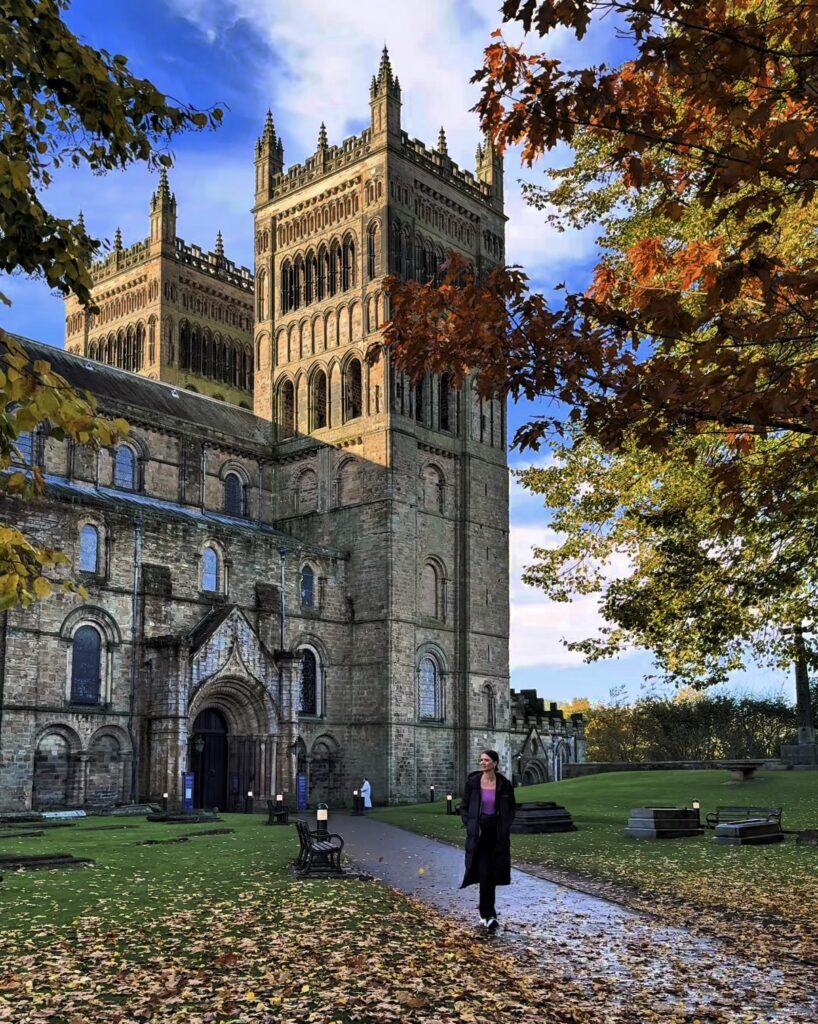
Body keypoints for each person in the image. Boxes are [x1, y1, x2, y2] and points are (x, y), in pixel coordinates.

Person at [459, 749, 516, 931]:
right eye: (481, 760)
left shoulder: (504, 785)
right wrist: (470, 824)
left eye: (486, 760)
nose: (482, 763)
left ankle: (488, 913)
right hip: (479, 835)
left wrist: (505, 825)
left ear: (495, 763)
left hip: (497, 836)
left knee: (492, 876)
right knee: (484, 874)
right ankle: (488, 914)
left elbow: (512, 808)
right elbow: (464, 807)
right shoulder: (473, 783)